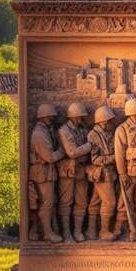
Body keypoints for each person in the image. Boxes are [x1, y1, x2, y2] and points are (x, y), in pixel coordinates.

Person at [29, 103, 66, 243]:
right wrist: (63, 151)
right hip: (42, 173)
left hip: (46, 172)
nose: (51, 118)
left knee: (47, 202)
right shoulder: (39, 133)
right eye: (49, 116)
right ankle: (47, 233)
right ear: (43, 117)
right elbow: (49, 157)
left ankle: (36, 231)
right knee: (47, 203)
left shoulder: (45, 131)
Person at [57, 103, 93, 243]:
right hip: (68, 171)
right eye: (79, 117)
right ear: (73, 117)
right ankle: (66, 233)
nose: (81, 120)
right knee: (66, 202)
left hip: (81, 169)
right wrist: (89, 146)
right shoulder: (64, 131)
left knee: (82, 201)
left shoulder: (82, 129)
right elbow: (72, 152)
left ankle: (77, 231)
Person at [114, 98, 136, 242]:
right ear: (130, 114)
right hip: (129, 172)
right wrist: (122, 173)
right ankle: (118, 229)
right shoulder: (122, 130)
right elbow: (119, 153)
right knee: (125, 202)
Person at [86, 106, 118, 241]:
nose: (110, 123)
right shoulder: (93, 135)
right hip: (102, 173)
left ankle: (91, 231)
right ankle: (104, 231)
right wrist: (113, 158)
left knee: (95, 201)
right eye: (108, 120)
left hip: (108, 173)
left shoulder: (109, 132)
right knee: (109, 202)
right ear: (102, 121)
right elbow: (95, 159)